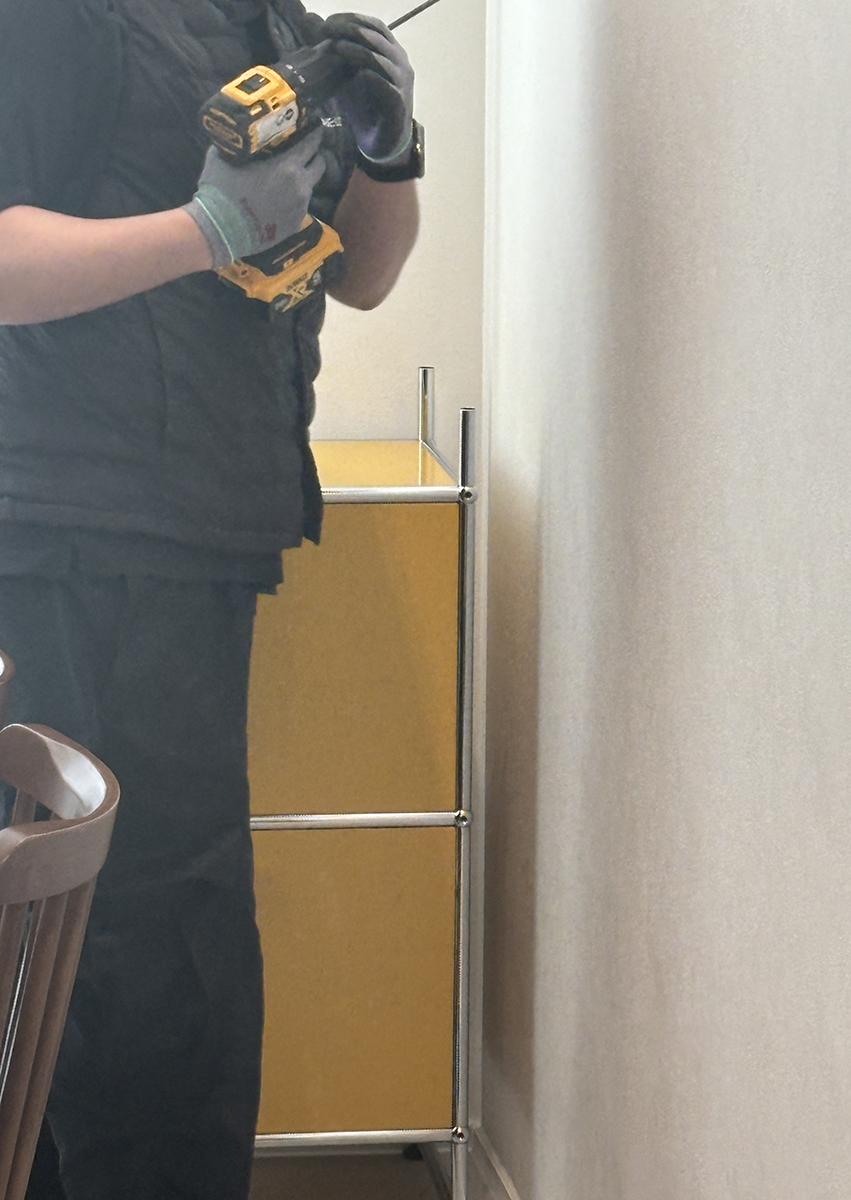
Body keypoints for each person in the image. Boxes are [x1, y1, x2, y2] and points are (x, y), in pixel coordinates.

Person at [0, 1, 422, 1197]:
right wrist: (204, 229)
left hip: (199, 537)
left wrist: (390, 150)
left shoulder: (273, 23)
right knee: (124, 964)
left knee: (166, 953)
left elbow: (366, 277)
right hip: (72, 538)